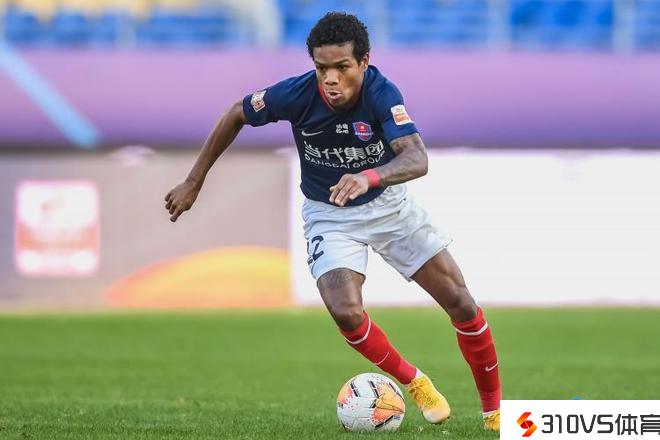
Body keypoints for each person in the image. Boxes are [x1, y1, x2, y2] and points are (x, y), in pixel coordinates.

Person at [164, 12, 501, 431]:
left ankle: (494, 414)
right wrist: (194, 181)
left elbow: (417, 158)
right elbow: (237, 112)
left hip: (388, 207)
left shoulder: (381, 93)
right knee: (345, 310)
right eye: (322, 68)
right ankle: (415, 382)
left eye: (342, 67)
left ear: (364, 62)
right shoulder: (296, 94)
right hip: (329, 213)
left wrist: (369, 177)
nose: (330, 79)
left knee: (461, 303)